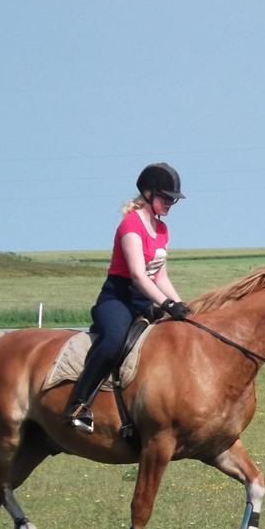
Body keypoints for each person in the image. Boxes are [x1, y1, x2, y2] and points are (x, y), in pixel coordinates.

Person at [64, 162, 190, 433]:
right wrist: (167, 304)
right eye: (166, 198)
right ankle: (78, 403)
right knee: (112, 342)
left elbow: (161, 277)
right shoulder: (130, 225)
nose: (170, 204)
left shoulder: (162, 229)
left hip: (145, 300)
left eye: (173, 200)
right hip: (117, 298)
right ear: (148, 194)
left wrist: (182, 306)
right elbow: (137, 275)